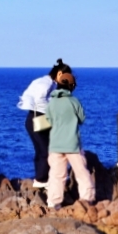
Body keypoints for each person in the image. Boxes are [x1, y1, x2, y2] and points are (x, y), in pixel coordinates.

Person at [17, 59, 72, 187]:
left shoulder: (47, 82)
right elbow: (39, 98)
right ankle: (42, 180)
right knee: (46, 150)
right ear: (59, 74)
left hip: (34, 119)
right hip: (38, 119)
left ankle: (41, 178)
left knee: (42, 149)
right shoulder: (46, 83)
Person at [45, 71, 96, 207]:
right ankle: (87, 200)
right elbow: (82, 119)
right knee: (81, 173)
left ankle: (53, 203)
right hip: (72, 144)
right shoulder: (74, 101)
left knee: (56, 175)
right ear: (72, 86)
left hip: (55, 144)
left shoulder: (52, 103)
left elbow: (48, 120)